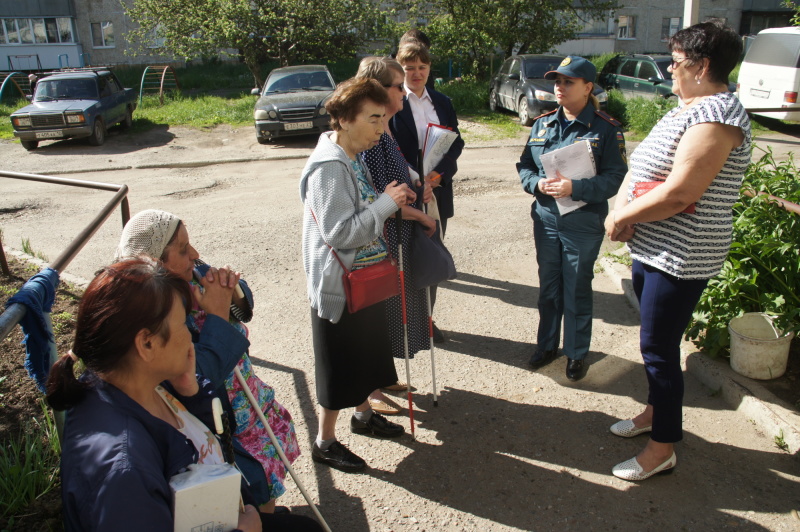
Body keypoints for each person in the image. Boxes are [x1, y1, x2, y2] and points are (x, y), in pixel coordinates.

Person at [46, 259, 321, 531]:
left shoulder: (133, 381)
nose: (191, 337)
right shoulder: (124, 472)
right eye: (183, 325)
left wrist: (191, 393)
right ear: (147, 343)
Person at [604, 21, 751, 481]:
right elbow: (644, 168)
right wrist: (624, 208)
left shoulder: (719, 116)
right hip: (655, 246)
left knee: (659, 348)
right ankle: (654, 412)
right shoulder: (689, 107)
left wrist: (623, 216)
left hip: (682, 253)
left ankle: (662, 448)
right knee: (654, 341)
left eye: (676, 61)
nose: (669, 68)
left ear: (702, 65)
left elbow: (680, 191)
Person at [115, 209, 299, 513]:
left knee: (268, 474)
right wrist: (215, 315)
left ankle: (267, 512)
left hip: (247, 402)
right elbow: (195, 377)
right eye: (184, 249)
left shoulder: (192, 272)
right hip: (221, 420)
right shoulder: (151, 312)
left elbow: (243, 300)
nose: (195, 254)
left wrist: (232, 293)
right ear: (156, 262)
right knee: (253, 483)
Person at [300, 77, 417, 472]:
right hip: (340, 284)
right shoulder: (330, 167)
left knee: (365, 354)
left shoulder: (351, 155)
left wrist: (387, 199)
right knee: (339, 363)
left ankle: (363, 416)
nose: (381, 130)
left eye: (383, 119)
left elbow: (360, 211)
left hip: (362, 279)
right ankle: (324, 441)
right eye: (373, 119)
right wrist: (386, 204)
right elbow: (341, 233)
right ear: (345, 120)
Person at [517, 56, 627, 381]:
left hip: (583, 221)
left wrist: (574, 187)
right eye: (557, 81)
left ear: (588, 87)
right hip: (547, 219)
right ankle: (547, 345)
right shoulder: (543, 123)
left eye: (568, 82)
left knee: (577, 286)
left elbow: (615, 178)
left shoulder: (606, 129)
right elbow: (524, 166)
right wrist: (536, 183)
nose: (559, 87)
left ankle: (576, 353)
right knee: (548, 287)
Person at [357, 56, 437, 414]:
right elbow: (378, 196)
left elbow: (400, 174)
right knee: (379, 311)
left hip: (398, 234)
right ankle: (370, 390)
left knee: (396, 308)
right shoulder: (370, 135)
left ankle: (382, 373)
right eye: (396, 84)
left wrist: (419, 183)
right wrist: (419, 214)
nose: (404, 90)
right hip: (382, 236)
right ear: (377, 89)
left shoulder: (387, 125)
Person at [391, 41, 464, 342]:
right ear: (400, 68)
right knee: (406, 261)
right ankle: (408, 322)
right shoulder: (393, 101)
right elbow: (390, 147)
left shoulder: (442, 101)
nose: (416, 73)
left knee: (432, 258)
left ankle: (428, 319)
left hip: (436, 193)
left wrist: (436, 177)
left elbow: (455, 142)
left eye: (422, 67)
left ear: (429, 68)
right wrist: (414, 183)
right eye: (410, 68)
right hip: (405, 193)